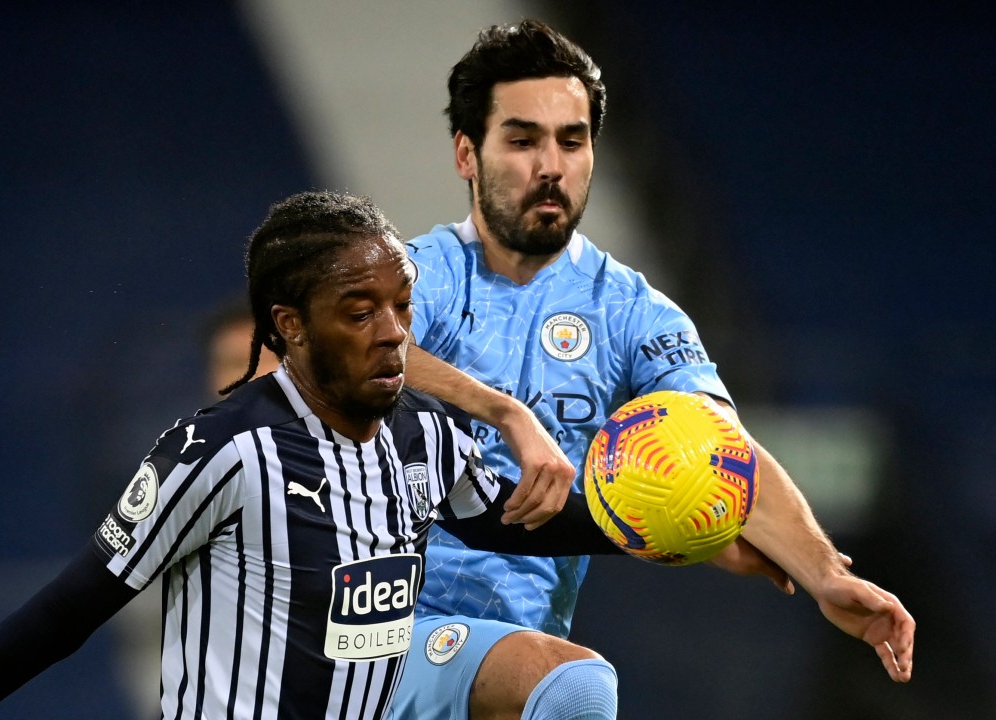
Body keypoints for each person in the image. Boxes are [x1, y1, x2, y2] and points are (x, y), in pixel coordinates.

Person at [0, 190, 723, 720]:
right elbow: (68, 611)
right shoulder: (221, 450)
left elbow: (513, 525)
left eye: (402, 306)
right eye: (359, 311)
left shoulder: (422, 435)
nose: (392, 331)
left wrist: (653, 521)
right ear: (291, 326)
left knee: (581, 686)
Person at [389, 19, 916, 720]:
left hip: (516, 658)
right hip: (370, 628)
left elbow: (720, 450)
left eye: (571, 141)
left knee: (563, 685)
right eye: (522, 140)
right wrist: (502, 410)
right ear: (466, 154)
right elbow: (340, 354)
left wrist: (821, 575)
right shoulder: (416, 275)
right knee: (578, 687)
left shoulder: (634, 312)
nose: (551, 165)